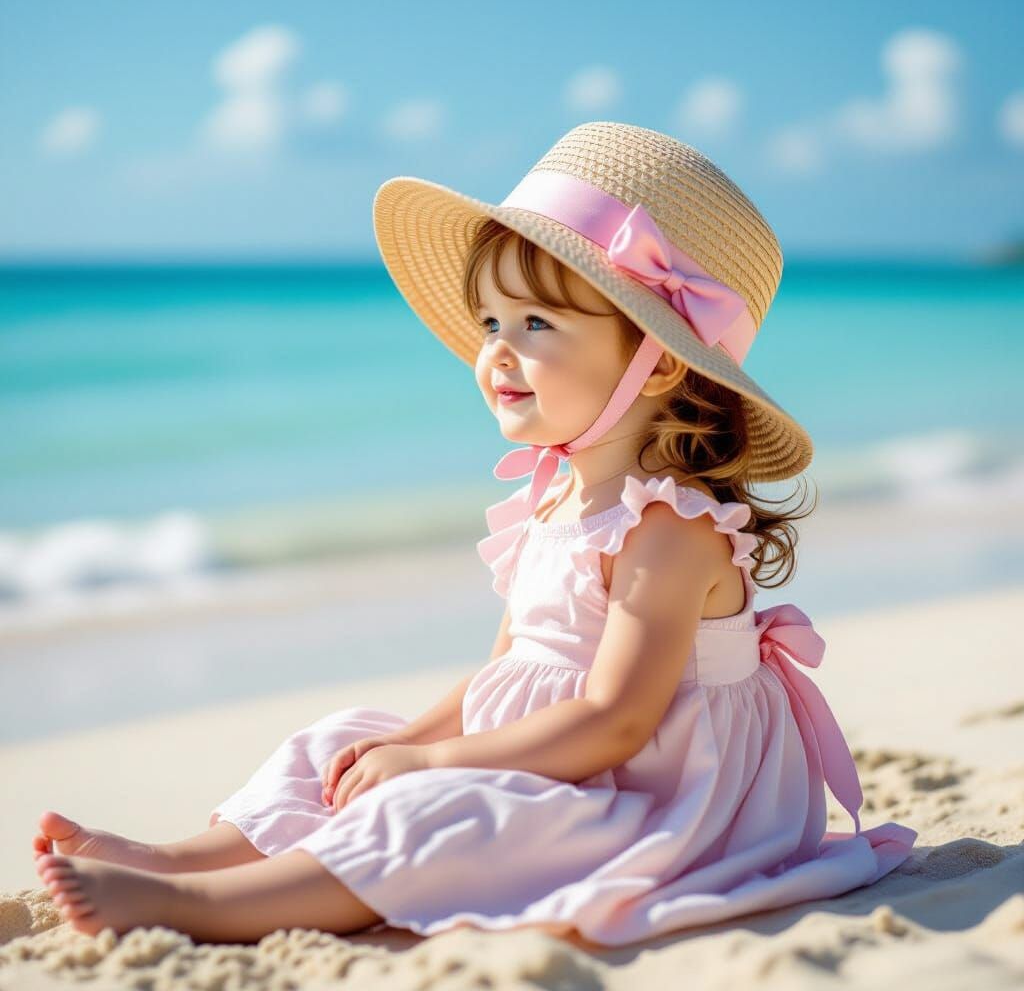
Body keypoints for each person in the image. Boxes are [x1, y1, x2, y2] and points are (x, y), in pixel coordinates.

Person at [33, 121, 918, 946]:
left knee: (437, 813)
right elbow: (502, 673)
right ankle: (182, 858)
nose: (496, 349)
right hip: (553, 761)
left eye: (538, 325)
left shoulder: (670, 531)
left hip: (652, 798)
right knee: (337, 741)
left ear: (661, 363)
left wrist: (433, 764)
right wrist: (402, 742)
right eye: (491, 323)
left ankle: (204, 908)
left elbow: (616, 723)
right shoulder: (555, 503)